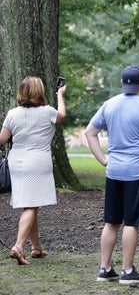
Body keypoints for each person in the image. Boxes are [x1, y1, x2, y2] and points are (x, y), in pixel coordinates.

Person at [84, 65, 139, 283]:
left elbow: (90, 133)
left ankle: (105, 268)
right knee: (131, 221)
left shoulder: (109, 105)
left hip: (114, 171)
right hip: (138, 172)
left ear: (122, 83)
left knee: (111, 222)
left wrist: (102, 159)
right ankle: (127, 271)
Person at [0, 76, 66, 265]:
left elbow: (3, 139)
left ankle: (36, 248)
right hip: (37, 162)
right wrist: (60, 95)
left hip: (16, 162)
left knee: (30, 204)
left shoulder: (13, 113)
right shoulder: (47, 112)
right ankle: (18, 246)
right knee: (31, 205)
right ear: (40, 92)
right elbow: (61, 116)